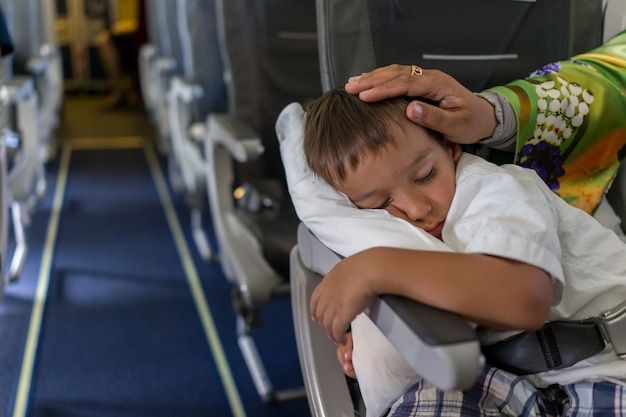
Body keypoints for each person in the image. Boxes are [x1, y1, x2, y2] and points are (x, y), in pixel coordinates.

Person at [302, 84, 626, 416]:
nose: (415, 209)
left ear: (450, 146)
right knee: (428, 398)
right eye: (380, 203)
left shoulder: (493, 191)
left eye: (426, 175)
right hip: (532, 381)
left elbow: (524, 299)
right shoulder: (401, 237)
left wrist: (375, 269)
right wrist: (385, 334)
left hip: (607, 372)